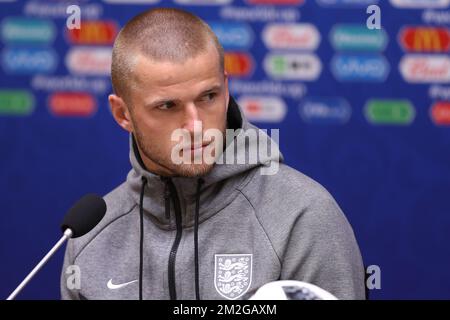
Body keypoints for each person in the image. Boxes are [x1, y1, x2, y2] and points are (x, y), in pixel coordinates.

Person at [61, 7, 365, 300]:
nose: (195, 127)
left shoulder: (303, 216)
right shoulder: (89, 237)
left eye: (208, 97)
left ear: (226, 88)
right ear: (122, 113)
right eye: (168, 106)